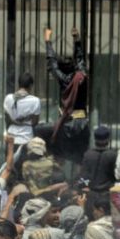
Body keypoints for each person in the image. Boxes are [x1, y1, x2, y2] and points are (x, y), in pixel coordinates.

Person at [36, 27, 91, 163]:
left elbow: (52, 63)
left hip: (66, 123)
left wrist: (48, 41)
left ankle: (59, 179)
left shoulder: (63, 79)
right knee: (80, 158)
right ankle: (79, 182)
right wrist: (76, 39)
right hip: (83, 122)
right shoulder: (81, 77)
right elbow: (80, 59)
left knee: (59, 153)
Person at [3, 72, 41, 151]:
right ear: (31, 85)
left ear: (19, 84)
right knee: (26, 163)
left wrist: (15, 121)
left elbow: (6, 119)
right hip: (27, 139)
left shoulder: (8, 98)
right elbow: (35, 122)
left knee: (10, 162)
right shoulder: (35, 101)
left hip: (11, 138)